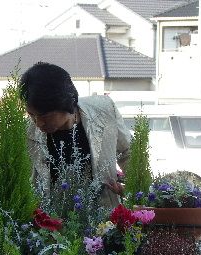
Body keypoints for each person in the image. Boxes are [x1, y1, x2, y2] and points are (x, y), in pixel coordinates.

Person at [19, 62, 131, 210]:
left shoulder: (104, 110)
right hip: (53, 223)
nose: (38, 123)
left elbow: (128, 152)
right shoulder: (27, 131)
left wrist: (134, 188)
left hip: (105, 219)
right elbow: (22, 180)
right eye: (31, 114)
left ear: (66, 104)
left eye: (45, 116)